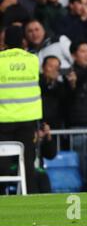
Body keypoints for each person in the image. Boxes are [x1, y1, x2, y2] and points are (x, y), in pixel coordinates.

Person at [0, 26, 42, 194]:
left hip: (3, 119)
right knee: (27, 162)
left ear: (5, 41)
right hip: (28, 119)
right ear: (23, 40)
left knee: (2, 163)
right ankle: (29, 195)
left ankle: (2, 194)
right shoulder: (33, 60)